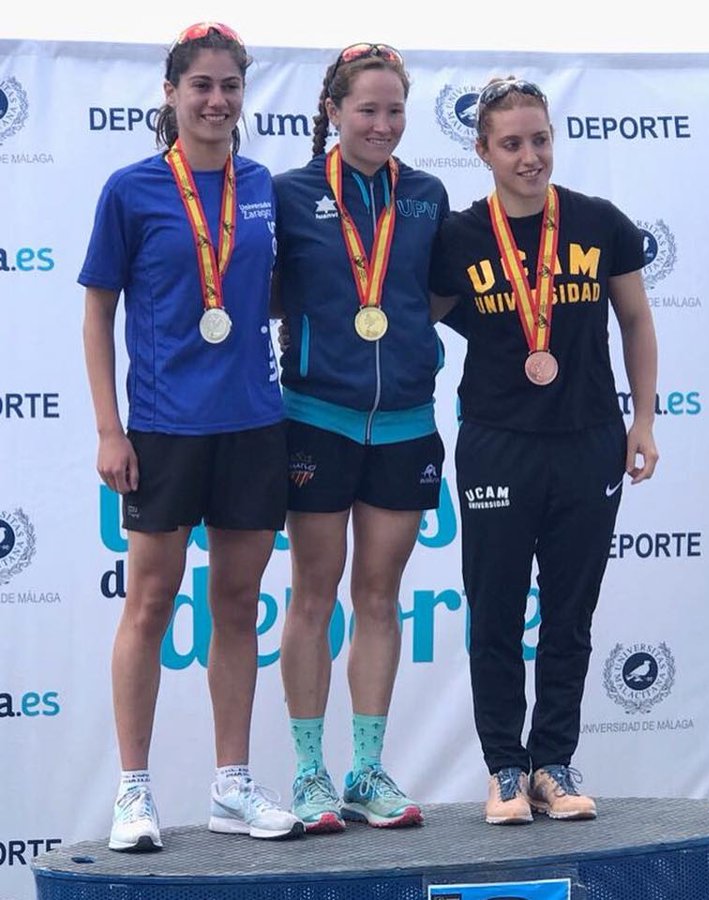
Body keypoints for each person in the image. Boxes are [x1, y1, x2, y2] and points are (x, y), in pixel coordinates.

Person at [79, 23, 301, 851]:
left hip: (253, 423)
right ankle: (133, 793)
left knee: (237, 605)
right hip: (165, 428)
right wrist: (110, 430)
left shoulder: (262, 186)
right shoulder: (131, 190)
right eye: (201, 85)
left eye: (230, 86)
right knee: (149, 603)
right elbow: (98, 314)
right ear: (170, 94)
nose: (216, 100)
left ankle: (231, 787)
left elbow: (270, 291)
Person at [429, 77, 659, 825]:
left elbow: (636, 321)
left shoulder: (599, 223)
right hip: (497, 445)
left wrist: (643, 420)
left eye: (540, 139)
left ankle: (553, 765)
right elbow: (418, 319)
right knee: (495, 613)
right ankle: (504, 769)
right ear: (482, 150)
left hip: (589, 441)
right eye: (512, 144)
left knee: (569, 615)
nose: (530, 157)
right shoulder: (460, 237)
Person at [272, 43, 449, 832]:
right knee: (314, 594)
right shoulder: (289, 194)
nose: (382, 124)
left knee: (379, 597)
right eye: (367, 109)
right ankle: (309, 774)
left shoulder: (428, 196)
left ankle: (366, 771)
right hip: (318, 416)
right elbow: (269, 292)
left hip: (405, 421)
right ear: (334, 112)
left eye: (395, 110)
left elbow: (431, 294)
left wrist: (405, 342)